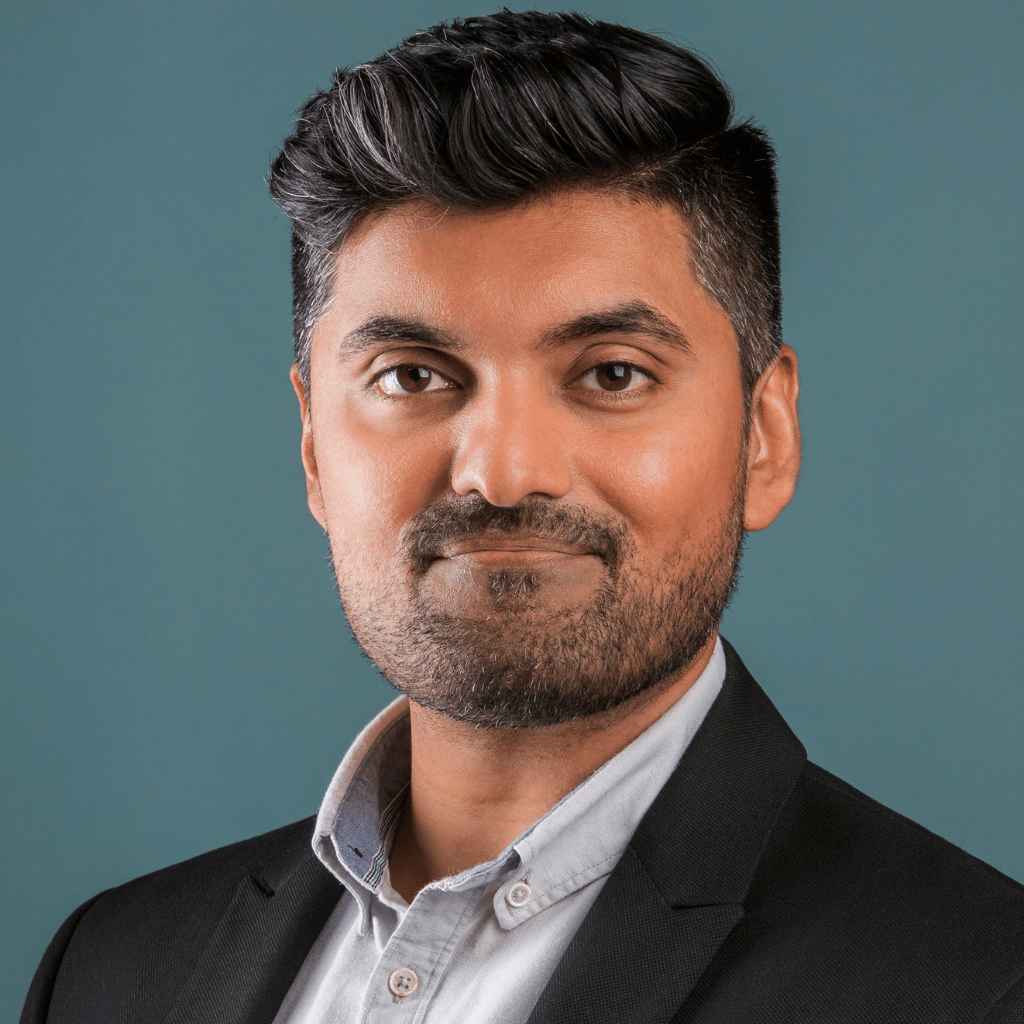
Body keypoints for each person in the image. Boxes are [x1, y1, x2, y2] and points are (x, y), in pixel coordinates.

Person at [21, 10, 1024, 1023]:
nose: (502, 473)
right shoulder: (108, 968)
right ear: (315, 446)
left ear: (764, 434)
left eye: (612, 374)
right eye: (412, 374)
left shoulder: (977, 983)